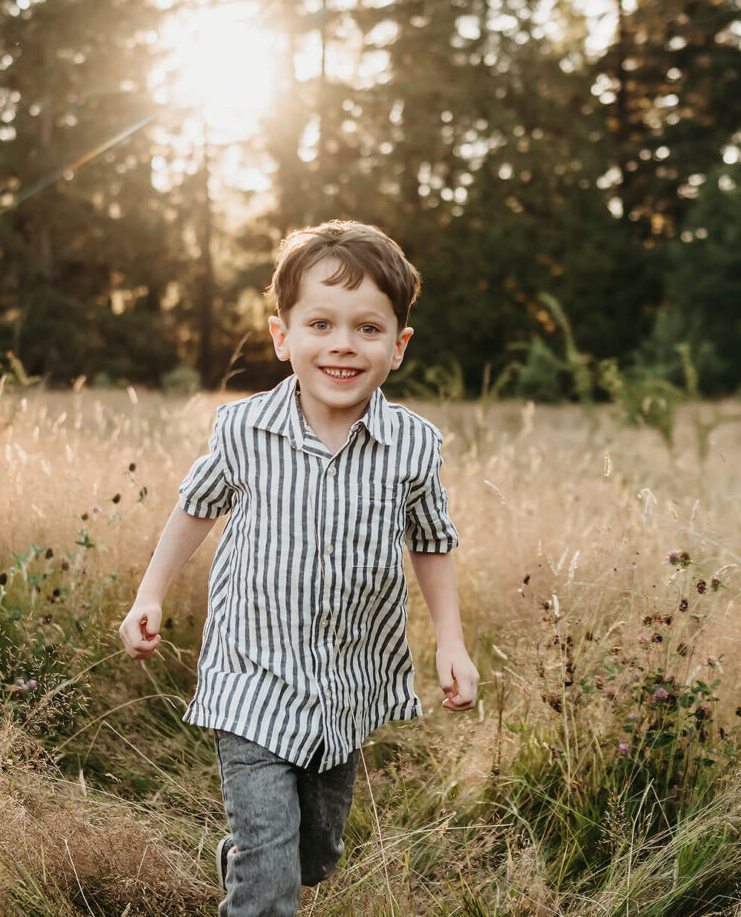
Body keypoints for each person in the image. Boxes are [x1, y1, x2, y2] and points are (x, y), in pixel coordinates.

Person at [118, 219, 478, 917]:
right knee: (272, 882)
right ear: (284, 336)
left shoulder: (412, 447)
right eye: (320, 323)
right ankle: (258, 873)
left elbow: (432, 543)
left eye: (367, 328)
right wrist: (149, 594)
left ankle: (258, 857)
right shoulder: (243, 430)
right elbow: (194, 508)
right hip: (250, 678)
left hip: (345, 684)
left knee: (313, 853)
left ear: (398, 346)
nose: (342, 343)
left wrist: (453, 642)